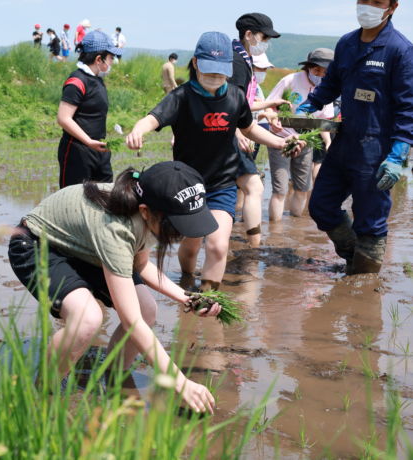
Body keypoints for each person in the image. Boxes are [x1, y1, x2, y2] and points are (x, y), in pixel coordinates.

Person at [8, 161, 222, 413]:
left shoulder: (152, 212)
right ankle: (41, 394)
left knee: (147, 310)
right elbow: (131, 321)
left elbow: (140, 265)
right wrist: (180, 381)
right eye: (177, 226)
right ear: (145, 211)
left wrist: (187, 297)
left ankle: (113, 375)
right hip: (37, 244)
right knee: (87, 318)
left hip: (85, 249)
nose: (180, 235)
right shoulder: (118, 227)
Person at [125, 32, 302, 292]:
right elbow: (153, 118)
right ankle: (187, 281)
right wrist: (138, 130)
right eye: (209, 72)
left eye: (220, 74)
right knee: (191, 245)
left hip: (222, 183)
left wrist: (279, 142)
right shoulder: (181, 97)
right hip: (189, 186)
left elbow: (250, 128)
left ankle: (208, 299)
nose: (215, 79)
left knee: (218, 245)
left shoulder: (235, 96)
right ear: (196, 63)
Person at [297, 0, 413, 274]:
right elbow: (331, 84)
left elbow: (408, 108)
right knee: (321, 205)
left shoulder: (400, 50)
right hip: (345, 140)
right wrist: (308, 106)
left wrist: (398, 154)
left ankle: (363, 284)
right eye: (363, 0)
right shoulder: (347, 43)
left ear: (392, 7)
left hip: (379, 147)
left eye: (377, 2)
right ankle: (353, 256)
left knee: (370, 219)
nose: (367, 7)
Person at [230, 13, 282, 247]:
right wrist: (238, 132)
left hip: (234, 129)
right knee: (254, 186)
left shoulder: (243, 58)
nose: (266, 42)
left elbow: (244, 103)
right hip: (232, 132)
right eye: (264, 37)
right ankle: (254, 246)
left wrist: (270, 105)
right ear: (249, 35)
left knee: (236, 187)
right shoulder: (238, 62)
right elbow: (232, 103)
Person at [265, 49, 335, 221]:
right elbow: (268, 105)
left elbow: (324, 122)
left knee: (303, 188)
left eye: (325, 72)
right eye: (317, 70)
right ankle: (276, 233)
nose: (320, 75)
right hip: (280, 139)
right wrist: (272, 118)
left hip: (306, 141)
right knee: (280, 189)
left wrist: (327, 142)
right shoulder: (290, 81)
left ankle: (296, 228)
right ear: (308, 67)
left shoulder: (327, 89)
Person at [57, 30, 122, 188]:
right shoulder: (77, 81)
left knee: (105, 196)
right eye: (111, 58)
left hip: (98, 148)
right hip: (77, 151)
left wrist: (96, 144)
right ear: (99, 59)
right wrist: (88, 142)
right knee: (75, 201)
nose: (112, 62)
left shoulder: (97, 80)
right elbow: (63, 118)